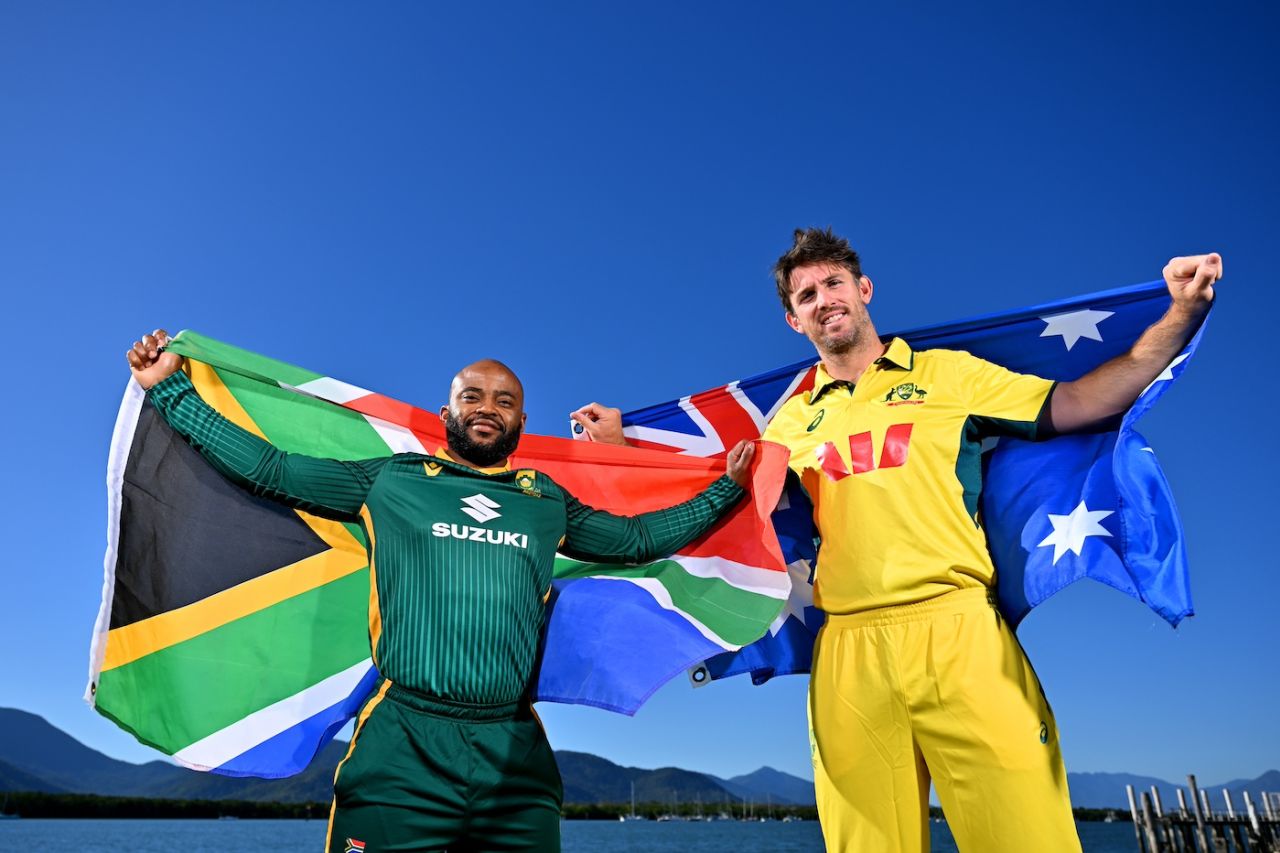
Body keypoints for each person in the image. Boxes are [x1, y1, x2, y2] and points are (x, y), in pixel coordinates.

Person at [571, 229, 1221, 852]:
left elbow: (1080, 401)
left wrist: (1181, 314)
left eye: (834, 283)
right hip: (848, 650)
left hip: (960, 631)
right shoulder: (793, 417)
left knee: (1030, 836)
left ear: (865, 289)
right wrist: (621, 447)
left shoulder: (949, 376)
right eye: (806, 295)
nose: (825, 298)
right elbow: (715, 485)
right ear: (795, 321)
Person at [126, 330, 756, 853]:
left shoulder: (543, 503)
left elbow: (637, 539)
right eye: (473, 395)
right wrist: (173, 391)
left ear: (521, 419)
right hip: (404, 746)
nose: (488, 406)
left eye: (504, 400)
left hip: (511, 754)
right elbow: (270, 468)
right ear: (447, 411)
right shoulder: (393, 481)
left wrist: (727, 489)